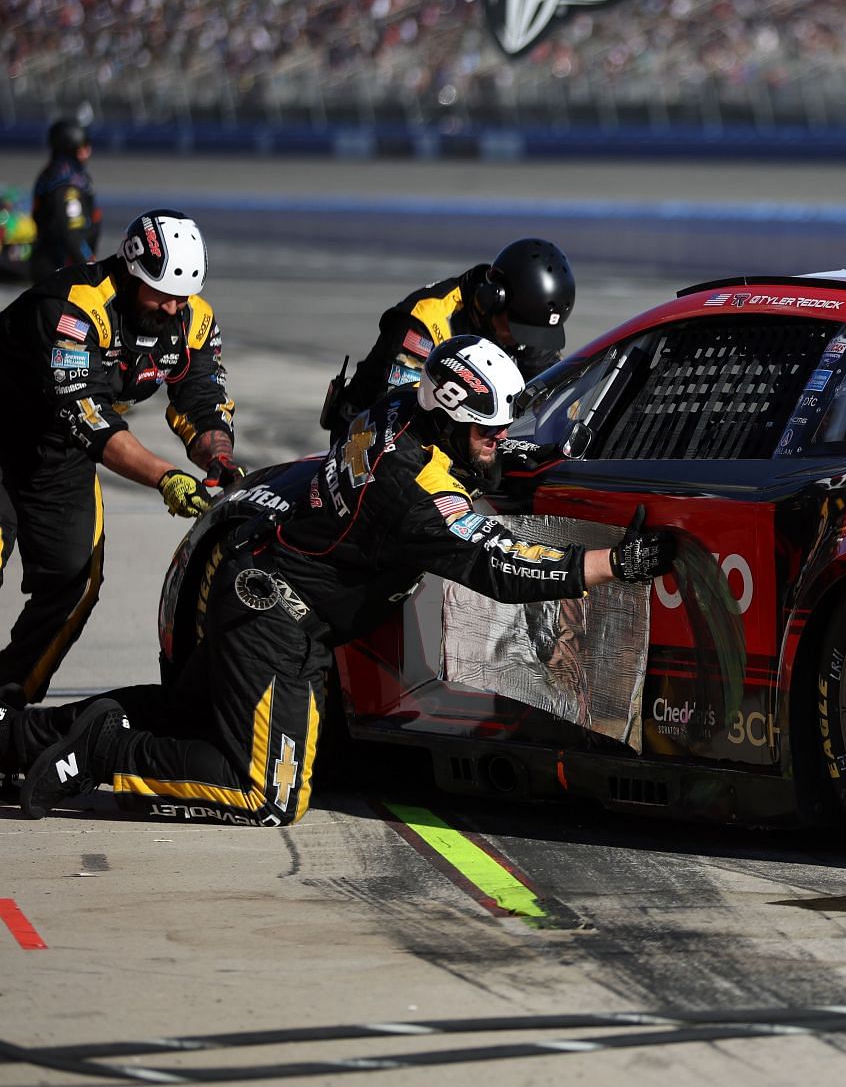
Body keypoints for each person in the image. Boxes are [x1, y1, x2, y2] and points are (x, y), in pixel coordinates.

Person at [0, 336, 674, 825]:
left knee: (189, 719)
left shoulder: (393, 411)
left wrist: (516, 451)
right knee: (267, 794)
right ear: (446, 418)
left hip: (260, 587)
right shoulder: (412, 489)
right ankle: (98, 746)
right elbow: (495, 563)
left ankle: (16, 738)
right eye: (487, 432)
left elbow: (467, 469)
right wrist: (614, 564)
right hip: (276, 620)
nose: (497, 442)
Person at [0, 209, 242, 707]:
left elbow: (201, 401)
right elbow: (90, 420)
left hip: (56, 452)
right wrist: (166, 478)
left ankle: (8, 701)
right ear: (132, 272)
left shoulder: (193, 319)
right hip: (14, 431)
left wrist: (219, 459)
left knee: (75, 580)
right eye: (162, 293)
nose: (174, 308)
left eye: (184, 295)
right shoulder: (72, 307)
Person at [322, 238, 575, 436]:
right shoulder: (425, 321)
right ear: (492, 299)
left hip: (463, 444)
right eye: (522, 330)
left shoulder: (524, 324)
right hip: (373, 442)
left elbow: (557, 401)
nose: (524, 341)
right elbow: (400, 421)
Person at [30, 119, 100, 284]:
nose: (88, 151)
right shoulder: (66, 187)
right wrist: (90, 266)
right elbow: (72, 234)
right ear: (71, 148)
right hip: (59, 267)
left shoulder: (55, 174)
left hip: (54, 262)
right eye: (83, 147)